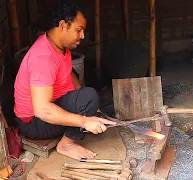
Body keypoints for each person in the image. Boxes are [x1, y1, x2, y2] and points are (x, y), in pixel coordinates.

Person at [13, 2, 116, 160]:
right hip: (34, 123)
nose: (82, 36)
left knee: (87, 98)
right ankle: (66, 144)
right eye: (78, 30)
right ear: (63, 25)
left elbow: (69, 73)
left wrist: (87, 108)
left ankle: (83, 111)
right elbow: (42, 109)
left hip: (45, 113)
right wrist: (83, 120)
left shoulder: (58, 45)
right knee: (89, 97)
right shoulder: (43, 58)